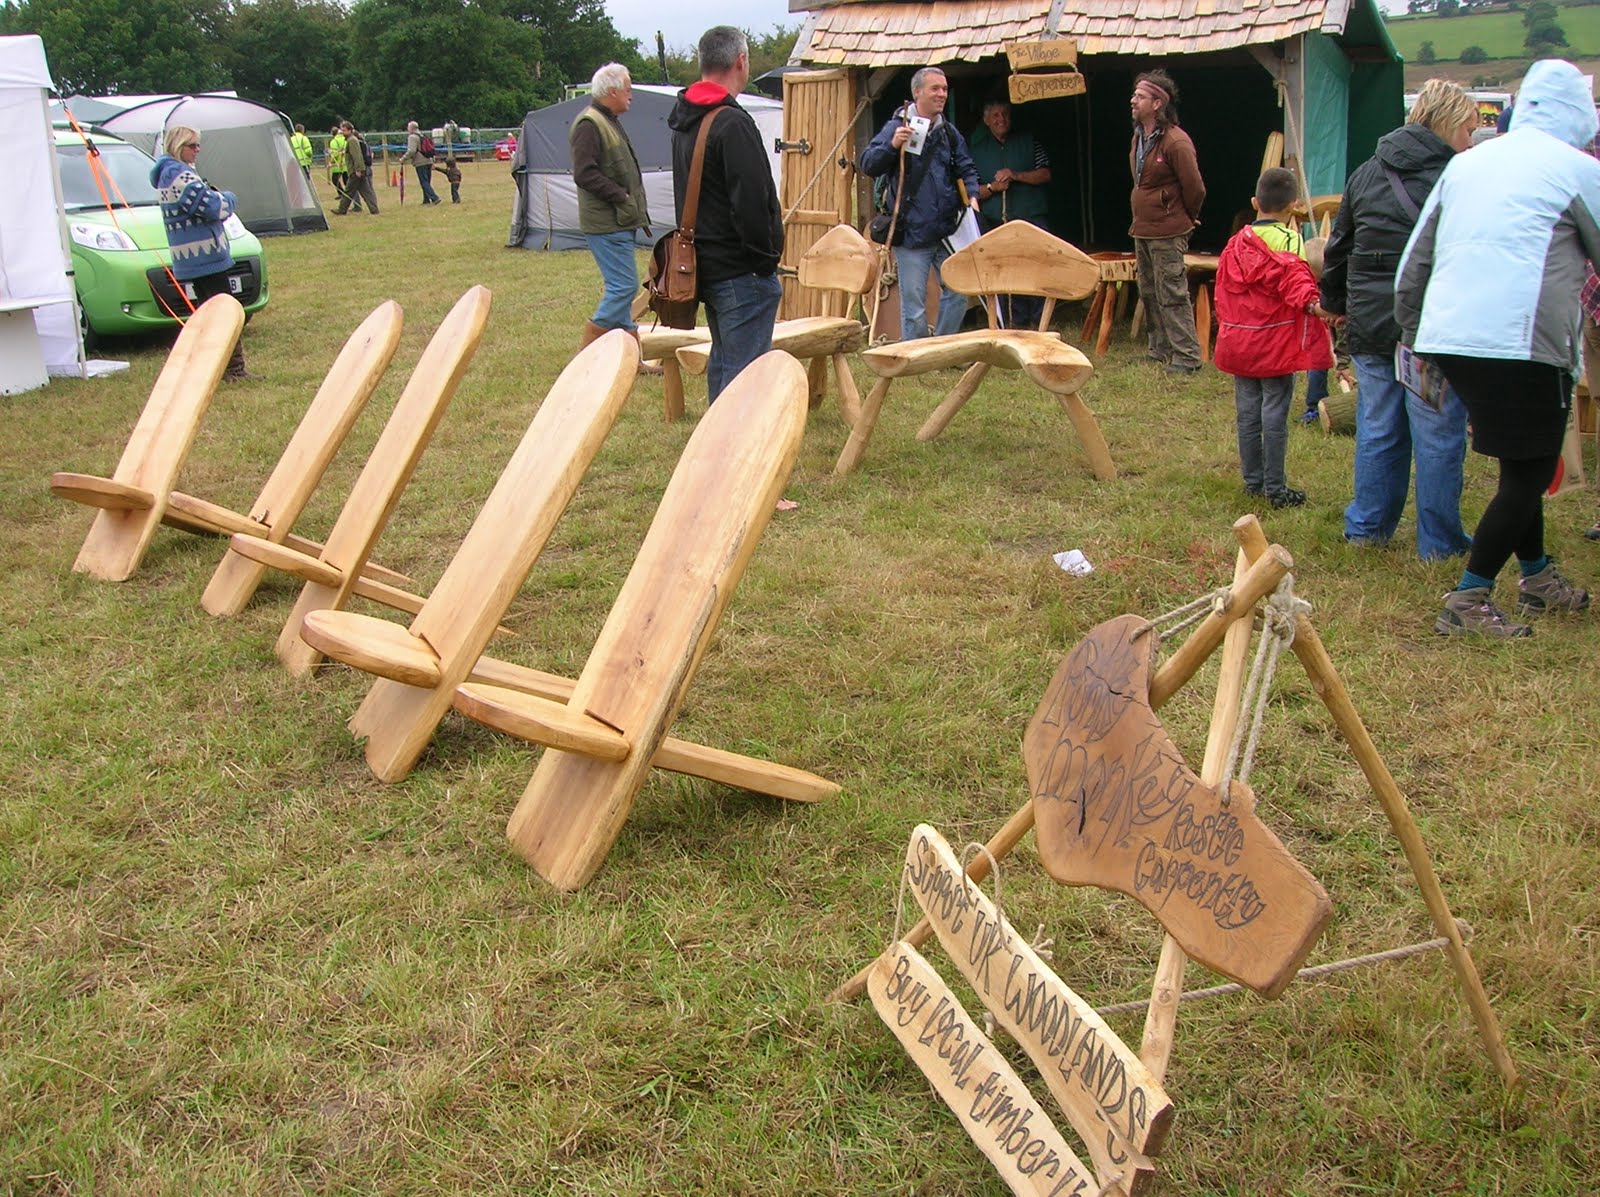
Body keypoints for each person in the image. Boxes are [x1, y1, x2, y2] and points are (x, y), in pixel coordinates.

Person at [1397, 58, 1599, 637]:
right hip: (1525, 338)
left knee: (1521, 458)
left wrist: (1415, 338)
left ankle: (1536, 574)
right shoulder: (1580, 170)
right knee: (1531, 470)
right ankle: (1470, 597)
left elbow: (1417, 259)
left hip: (1453, 333)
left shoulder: (1467, 164)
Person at [1322, 79, 1478, 562]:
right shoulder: (1458, 176)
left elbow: (1339, 248)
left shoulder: (1369, 171)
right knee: (1437, 433)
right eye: (1469, 129)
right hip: (1429, 323)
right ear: (1448, 123)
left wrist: (1333, 303)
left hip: (1371, 322)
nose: (1472, 140)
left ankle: (1367, 529)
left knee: (1379, 425)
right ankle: (1439, 544)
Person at [667, 26, 784, 403]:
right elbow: (751, 204)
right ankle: (728, 457)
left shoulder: (688, 119)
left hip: (709, 264)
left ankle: (713, 453)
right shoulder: (731, 123)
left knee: (725, 365)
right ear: (741, 61)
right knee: (743, 382)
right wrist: (765, 263)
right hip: (739, 269)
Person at [1214, 167, 1332, 509]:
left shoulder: (1235, 244)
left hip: (1240, 343)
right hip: (1275, 344)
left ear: (1255, 202)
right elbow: (1296, 284)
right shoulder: (1292, 241)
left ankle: (1253, 481)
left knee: (1247, 412)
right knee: (1274, 414)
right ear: (1293, 206)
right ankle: (1275, 489)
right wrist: (1324, 308)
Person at [861, 66, 981, 342]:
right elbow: (868, 164)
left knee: (959, 291)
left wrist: (972, 195)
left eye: (944, 89)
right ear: (917, 93)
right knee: (914, 305)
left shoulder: (949, 134)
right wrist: (892, 145)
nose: (942, 94)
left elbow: (967, 168)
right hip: (911, 232)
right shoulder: (897, 126)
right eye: (935, 89)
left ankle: (940, 347)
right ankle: (915, 356)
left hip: (946, 231)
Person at [571, 62, 657, 372]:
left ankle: (632, 362)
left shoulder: (608, 119)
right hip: (606, 222)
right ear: (611, 92)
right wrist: (620, 197)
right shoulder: (589, 124)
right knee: (623, 287)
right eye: (628, 89)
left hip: (620, 220)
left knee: (623, 287)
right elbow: (584, 173)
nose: (631, 95)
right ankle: (583, 359)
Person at [152, 125, 249, 380]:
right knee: (224, 312)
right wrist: (228, 197)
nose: (198, 150)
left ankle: (211, 367)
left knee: (207, 313)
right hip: (205, 258)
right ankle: (232, 369)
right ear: (178, 146)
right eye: (192, 145)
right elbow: (211, 207)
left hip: (194, 257)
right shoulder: (177, 174)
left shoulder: (170, 173)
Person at [1129, 69, 1206, 374]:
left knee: (1171, 291)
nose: (1133, 100)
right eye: (1135, 95)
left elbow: (1195, 187)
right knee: (1148, 289)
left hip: (1168, 228)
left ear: (1158, 103)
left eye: (1140, 96)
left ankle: (1186, 355)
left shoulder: (1176, 141)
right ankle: (1160, 349)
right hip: (1143, 227)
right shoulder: (1139, 138)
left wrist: (1187, 216)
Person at [969, 96, 1051, 328]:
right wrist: (993, 188)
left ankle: (1037, 321)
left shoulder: (1029, 141)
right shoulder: (975, 151)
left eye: (1004, 115)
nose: (1001, 119)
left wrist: (1016, 175)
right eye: (995, 115)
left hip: (1031, 218)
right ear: (986, 121)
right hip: (997, 220)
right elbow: (970, 190)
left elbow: (1045, 173)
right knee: (1005, 272)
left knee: (1036, 269)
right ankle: (1012, 322)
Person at [335, 121, 379, 216]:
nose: (342, 132)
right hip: (357, 171)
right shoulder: (351, 140)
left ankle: (342, 210)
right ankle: (374, 209)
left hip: (355, 171)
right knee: (366, 191)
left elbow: (357, 156)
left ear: (350, 130)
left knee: (349, 191)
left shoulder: (352, 141)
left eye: (344, 130)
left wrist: (358, 170)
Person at [400, 120, 440, 205]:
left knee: (424, 182)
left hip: (420, 161)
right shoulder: (423, 135)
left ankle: (434, 198)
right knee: (427, 181)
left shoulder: (412, 137)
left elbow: (412, 150)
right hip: (428, 160)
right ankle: (426, 200)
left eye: (408, 127)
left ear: (411, 128)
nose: (407, 129)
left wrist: (403, 158)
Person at [327, 122, 359, 213]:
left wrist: (331, 161)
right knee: (348, 184)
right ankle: (350, 202)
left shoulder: (334, 141)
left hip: (338, 166)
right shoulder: (346, 139)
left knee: (336, 181)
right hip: (347, 166)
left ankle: (342, 195)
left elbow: (335, 154)